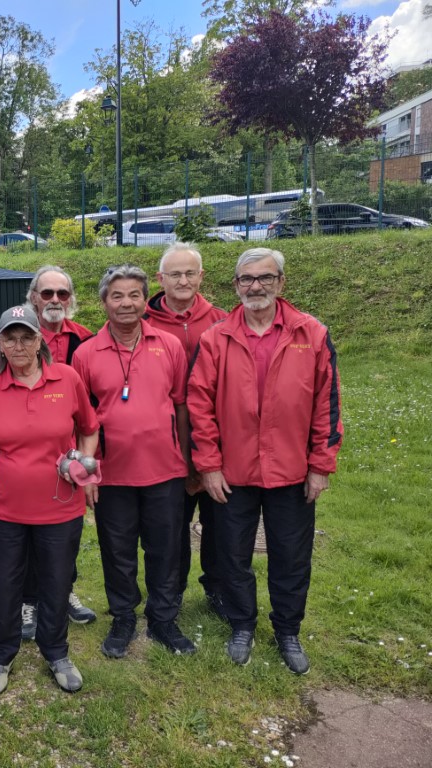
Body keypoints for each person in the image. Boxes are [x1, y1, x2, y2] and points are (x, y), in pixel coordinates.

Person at [188, 247, 343, 675]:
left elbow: (326, 405)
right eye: (246, 279)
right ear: (235, 285)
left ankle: (288, 630)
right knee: (232, 555)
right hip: (234, 473)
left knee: (291, 556)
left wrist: (320, 465)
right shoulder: (215, 338)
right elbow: (199, 406)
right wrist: (209, 464)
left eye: (265, 278)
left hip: (292, 471)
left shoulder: (310, 333)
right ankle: (242, 625)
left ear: (281, 283)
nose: (255, 286)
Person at [72, 265, 196, 659]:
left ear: (146, 300)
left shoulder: (170, 346)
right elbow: (80, 421)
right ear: (104, 302)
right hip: (112, 475)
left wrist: (188, 461)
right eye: (117, 296)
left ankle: (163, 618)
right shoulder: (86, 353)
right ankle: (123, 616)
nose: (126, 303)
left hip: (165, 470)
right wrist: (86, 472)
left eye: (134, 296)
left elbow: (180, 407)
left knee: (166, 548)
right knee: (118, 549)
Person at [0, 305, 100, 696]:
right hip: (2, 509)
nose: (18, 344)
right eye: (10, 337)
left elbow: (90, 429)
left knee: (56, 581)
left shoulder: (67, 378)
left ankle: (56, 651)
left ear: (39, 339)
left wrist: (82, 462)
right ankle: (1, 655)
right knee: (4, 584)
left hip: (59, 506)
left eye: (26, 336)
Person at [145, 243, 228, 619]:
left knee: (221, 524)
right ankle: (170, 592)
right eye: (174, 274)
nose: (182, 280)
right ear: (160, 279)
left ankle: (218, 588)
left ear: (201, 277)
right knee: (169, 528)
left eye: (189, 273)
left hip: (219, 444)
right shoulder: (142, 324)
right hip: (166, 447)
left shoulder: (223, 322)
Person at [21, 266, 98, 638]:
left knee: (66, 535)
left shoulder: (85, 341)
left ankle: (63, 593)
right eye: (47, 293)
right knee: (23, 534)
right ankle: (28, 601)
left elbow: (91, 410)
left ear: (71, 299)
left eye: (62, 294)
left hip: (69, 458)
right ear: (33, 296)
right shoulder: (16, 336)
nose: (54, 300)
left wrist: (88, 464)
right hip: (27, 453)